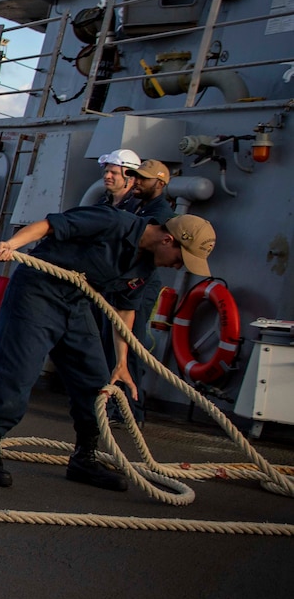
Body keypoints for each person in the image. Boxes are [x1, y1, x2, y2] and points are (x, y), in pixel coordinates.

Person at [0, 208, 216, 490]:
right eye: (181, 259)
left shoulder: (146, 267)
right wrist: (13, 245)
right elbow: (50, 225)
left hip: (77, 303)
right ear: (168, 240)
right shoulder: (113, 222)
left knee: (95, 382)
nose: (179, 267)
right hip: (37, 293)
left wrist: (121, 362)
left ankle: (84, 458)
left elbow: (125, 310)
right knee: (18, 374)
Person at [112, 159, 176, 423]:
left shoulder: (160, 214)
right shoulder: (135, 204)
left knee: (131, 344)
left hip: (140, 284)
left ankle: (131, 411)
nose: (137, 181)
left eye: (144, 178)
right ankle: (115, 403)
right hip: (123, 281)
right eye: (136, 177)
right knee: (114, 343)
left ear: (159, 184)